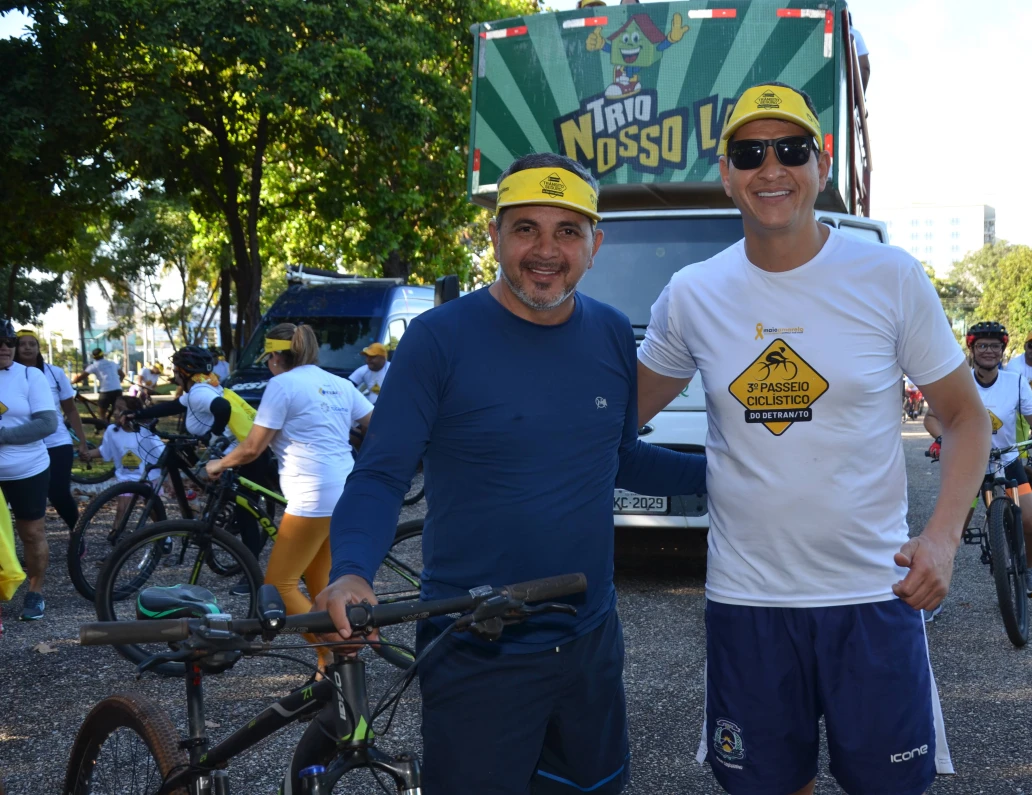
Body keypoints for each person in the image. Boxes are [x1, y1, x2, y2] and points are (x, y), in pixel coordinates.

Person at [634, 82, 990, 795]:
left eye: (791, 149)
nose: (772, 168)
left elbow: (964, 416)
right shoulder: (692, 293)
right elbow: (610, 416)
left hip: (874, 594)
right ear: (727, 172)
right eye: (750, 152)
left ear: (820, 164)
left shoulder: (888, 275)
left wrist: (943, 538)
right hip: (749, 603)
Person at [316, 152, 706, 795]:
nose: (546, 250)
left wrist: (731, 472)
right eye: (526, 227)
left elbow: (618, 457)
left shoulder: (610, 332)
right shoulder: (438, 340)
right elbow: (382, 474)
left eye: (567, 231)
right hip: (476, 644)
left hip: (588, 646)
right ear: (494, 236)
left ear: (594, 244)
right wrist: (352, 569)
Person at [207, 323, 372, 669]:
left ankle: (335, 647)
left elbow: (252, 448)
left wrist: (218, 464)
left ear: (276, 357)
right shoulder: (339, 384)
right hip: (347, 490)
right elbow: (376, 423)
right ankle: (330, 670)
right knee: (319, 584)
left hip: (312, 498)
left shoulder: (282, 385)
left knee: (279, 586)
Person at [925, 321, 1032, 597]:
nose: (989, 351)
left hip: (1006, 461)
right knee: (952, 531)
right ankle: (934, 592)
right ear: (971, 349)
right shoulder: (958, 381)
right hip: (968, 464)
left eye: (995, 346)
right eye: (982, 345)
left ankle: (1029, 569)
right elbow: (932, 418)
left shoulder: (1015, 381)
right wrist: (941, 440)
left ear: (1003, 350)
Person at [129, 346, 273, 590]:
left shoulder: (199, 393)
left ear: (185, 372)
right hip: (238, 453)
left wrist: (212, 433)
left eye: (175, 370)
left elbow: (222, 409)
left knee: (245, 514)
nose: (173, 375)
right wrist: (138, 413)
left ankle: (252, 577)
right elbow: (174, 406)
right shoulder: (201, 388)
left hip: (245, 456)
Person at [0, 320, 58, 621]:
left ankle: (35, 593)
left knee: (31, 534)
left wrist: (3, 436)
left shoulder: (29, 375)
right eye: (0, 341)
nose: (6, 347)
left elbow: (48, 423)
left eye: (9, 340)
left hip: (27, 469)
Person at [14, 330, 91, 533]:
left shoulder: (54, 373)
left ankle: (78, 535)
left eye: (33, 344)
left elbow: (71, 410)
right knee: (23, 499)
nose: (28, 347)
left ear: (39, 349)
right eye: (23, 344)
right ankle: (27, 547)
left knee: (58, 493)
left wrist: (82, 441)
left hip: (57, 442)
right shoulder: (7, 374)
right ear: (15, 347)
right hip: (23, 445)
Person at [93, 395, 165, 530]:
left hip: (149, 477)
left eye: (120, 409)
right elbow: (105, 450)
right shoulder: (112, 431)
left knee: (152, 509)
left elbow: (162, 454)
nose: (115, 412)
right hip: (127, 477)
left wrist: (170, 479)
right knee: (122, 508)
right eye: (114, 408)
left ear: (132, 414)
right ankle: (116, 535)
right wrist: (89, 454)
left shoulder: (145, 432)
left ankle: (164, 534)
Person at [73, 348, 125, 425]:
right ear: (103, 355)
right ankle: (120, 426)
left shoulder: (94, 366)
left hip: (105, 391)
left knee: (102, 412)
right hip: (118, 390)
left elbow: (81, 377)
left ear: (93, 357)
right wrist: (118, 382)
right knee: (118, 411)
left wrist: (72, 382)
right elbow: (122, 375)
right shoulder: (113, 363)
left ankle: (104, 426)